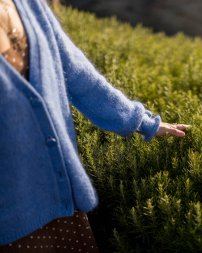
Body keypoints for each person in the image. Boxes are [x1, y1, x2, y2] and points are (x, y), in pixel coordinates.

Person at [0, 0, 189, 252]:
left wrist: (141, 121)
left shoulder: (28, 4)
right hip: (11, 219)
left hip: (63, 202)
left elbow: (79, 75)